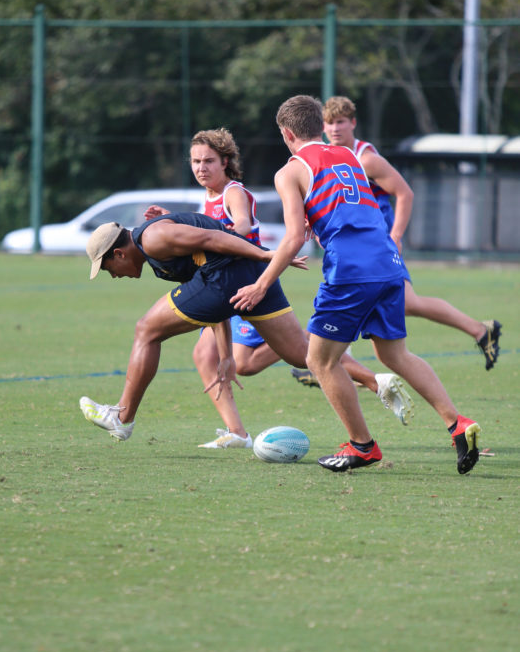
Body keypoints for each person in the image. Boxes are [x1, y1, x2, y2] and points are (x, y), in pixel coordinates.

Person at [230, 95, 481, 475]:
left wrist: (262, 283)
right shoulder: (350, 156)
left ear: (286, 133)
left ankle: (362, 446)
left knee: (319, 360)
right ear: (320, 124)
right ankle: (457, 424)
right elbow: (348, 206)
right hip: (388, 264)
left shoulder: (290, 171)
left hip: (351, 272)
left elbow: (294, 236)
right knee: (394, 355)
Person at [145, 127, 414, 449]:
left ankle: (369, 377)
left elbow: (241, 227)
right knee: (213, 356)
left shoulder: (233, 192)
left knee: (292, 357)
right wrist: (174, 220)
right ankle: (237, 432)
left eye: (208, 161)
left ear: (225, 162)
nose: (201, 167)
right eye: (195, 161)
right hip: (225, 285)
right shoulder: (209, 199)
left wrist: (201, 230)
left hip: (249, 284)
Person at [79, 211, 312, 441]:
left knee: (146, 330)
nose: (113, 276)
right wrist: (226, 355)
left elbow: (213, 238)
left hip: (234, 274)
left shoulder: (153, 238)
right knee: (303, 356)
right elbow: (211, 307)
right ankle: (328, 339)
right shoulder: (155, 253)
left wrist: (266, 255)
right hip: (251, 275)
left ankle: (121, 416)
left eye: (107, 269)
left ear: (119, 254)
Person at [322, 96, 502, 371]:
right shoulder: (329, 156)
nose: (335, 129)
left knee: (382, 299)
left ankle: (330, 363)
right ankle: (479, 330)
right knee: (396, 302)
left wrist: (395, 236)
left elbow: (404, 193)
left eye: (341, 122)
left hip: (377, 245)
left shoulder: (366, 159)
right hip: (358, 246)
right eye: (329, 123)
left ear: (353, 123)